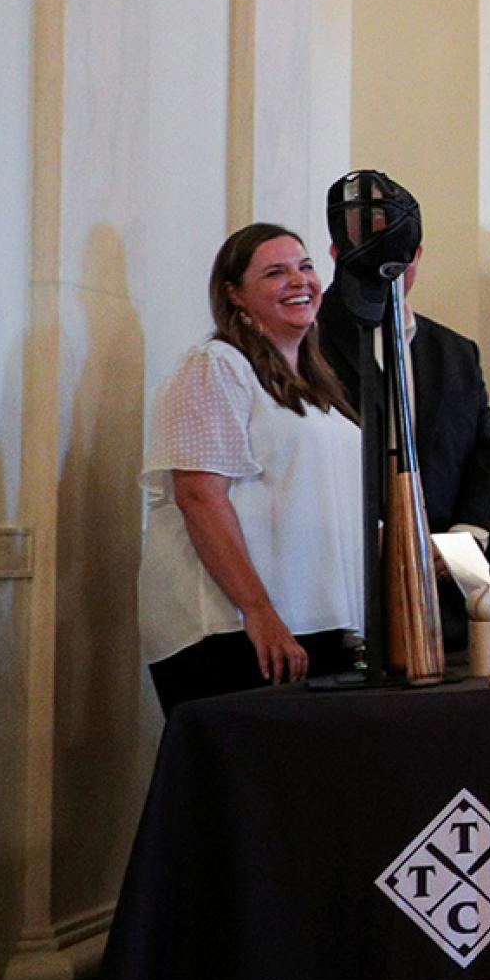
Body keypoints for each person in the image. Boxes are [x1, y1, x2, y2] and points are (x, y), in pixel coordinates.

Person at [139, 224, 365, 712]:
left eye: (305, 267)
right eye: (275, 272)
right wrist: (259, 612)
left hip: (315, 622)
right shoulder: (215, 366)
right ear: (234, 294)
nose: (299, 280)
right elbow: (199, 495)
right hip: (235, 630)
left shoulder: (314, 383)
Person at [315, 211, 490, 541]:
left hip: (440, 566)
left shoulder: (456, 353)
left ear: (416, 255)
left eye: (397, 252)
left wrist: (467, 536)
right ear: (337, 252)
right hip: (343, 555)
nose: (382, 266)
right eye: (368, 248)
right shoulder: (306, 338)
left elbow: (484, 454)